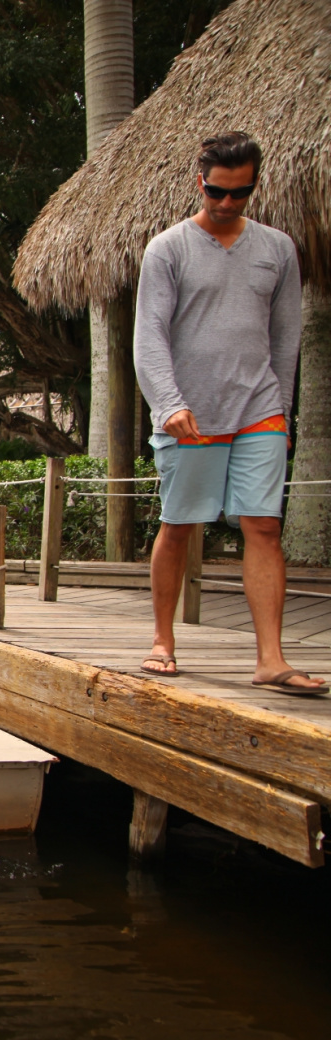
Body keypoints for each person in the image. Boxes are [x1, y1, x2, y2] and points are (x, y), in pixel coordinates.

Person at [134, 131, 324, 694]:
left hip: (259, 407)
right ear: (202, 182)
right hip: (189, 413)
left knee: (263, 524)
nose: (226, 203)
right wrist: (168, 404)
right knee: (182, 524)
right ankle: (163, 640)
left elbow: (286, 335)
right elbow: (150, 338)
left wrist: (283, 412)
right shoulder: (168, 249)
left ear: (252, 188)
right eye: (217, 191)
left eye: (238, 194)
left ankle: (271, 658)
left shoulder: (277, 249)